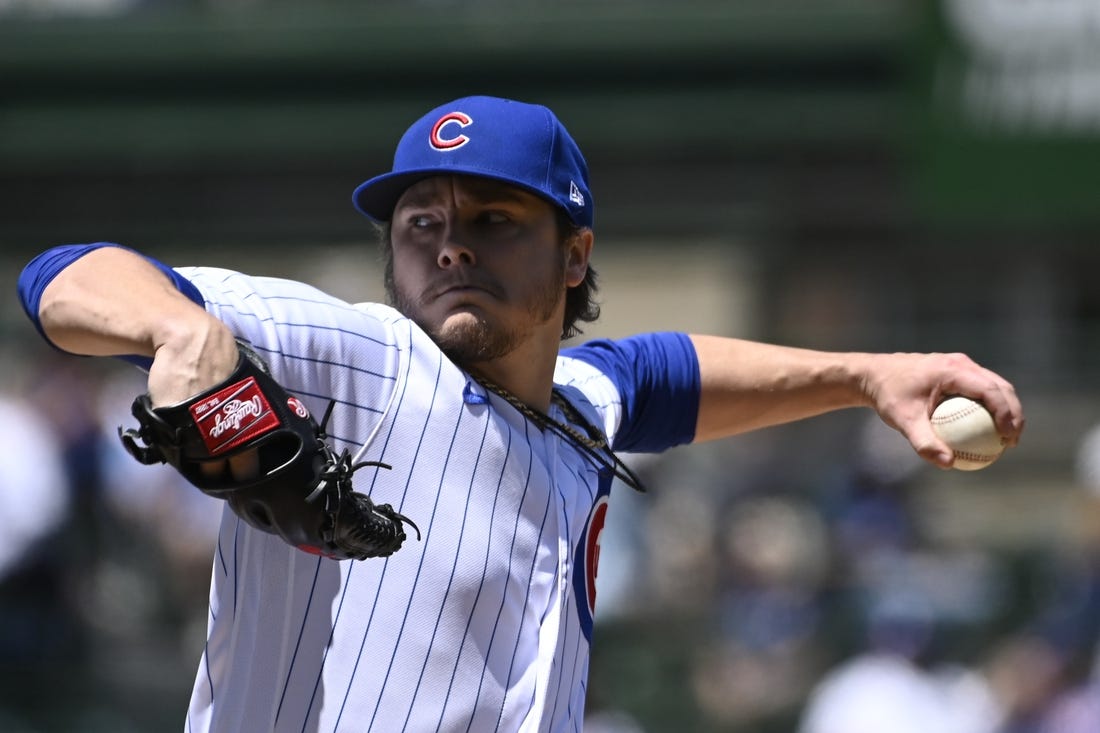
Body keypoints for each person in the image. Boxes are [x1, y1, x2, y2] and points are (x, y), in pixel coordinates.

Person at [15, 95, 1024, 732]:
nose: (450, 246)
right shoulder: (364, 355)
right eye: (423, 223)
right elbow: (63, 276)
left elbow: (663, 375)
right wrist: (180, 334)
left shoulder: (573, 408)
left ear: (573, 254)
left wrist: (863, 373)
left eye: (492, 221)